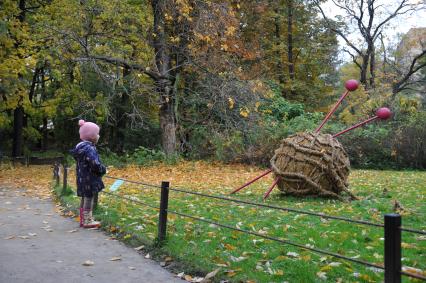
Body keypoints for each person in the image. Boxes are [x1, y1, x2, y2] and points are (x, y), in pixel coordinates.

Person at [70, 119, 106, 228]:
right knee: (89, 198)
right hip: (90, 178)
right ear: (92, 136)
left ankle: (83, 219)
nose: (98, 136)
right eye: (97, 134)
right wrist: (103, 169)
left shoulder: (80, 147)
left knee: (84, 197)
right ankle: (87, 221)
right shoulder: (89, 148)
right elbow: (95, 164)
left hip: (82, 177)